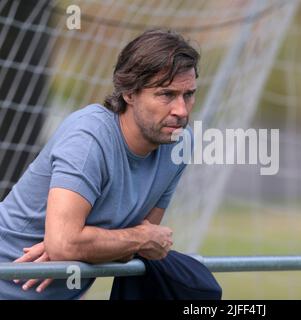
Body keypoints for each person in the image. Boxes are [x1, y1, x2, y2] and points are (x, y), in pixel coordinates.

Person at [0, 28, 199, 299]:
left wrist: (78, 243)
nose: (182, 110)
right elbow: (141, 239)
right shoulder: (89, 136)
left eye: (188, 94)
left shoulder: (180, 143)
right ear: (129, 93)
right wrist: (71, 243)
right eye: (166, 94)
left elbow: (138, 246)